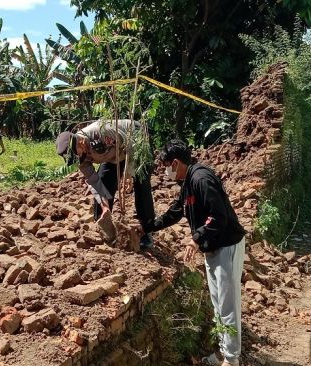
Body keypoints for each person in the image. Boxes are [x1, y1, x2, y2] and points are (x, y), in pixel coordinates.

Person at [147, 139, 246, 366]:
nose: (166, 172)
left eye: (166, 166)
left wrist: (195, 239)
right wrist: (149, 226)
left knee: (228, 304)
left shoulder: (201, 179)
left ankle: (232, 359)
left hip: (226, 245)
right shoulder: (188, 183)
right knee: (218, 303)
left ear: (175, 162)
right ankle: (223, 351)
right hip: (212, 248)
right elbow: (175, 212)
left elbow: (218, 216)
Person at [55, 119, 155, 250]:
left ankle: (146, 232)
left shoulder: (100, 132)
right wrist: (105, 206)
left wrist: (129, 173)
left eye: (76, 155)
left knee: (141, 184)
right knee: (103, 180)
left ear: (80, 142)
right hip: (113, 154)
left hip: (135, 141)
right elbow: (94, 181)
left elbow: (131, 144)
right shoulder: (80, 157)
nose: (78, 160)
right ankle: (103, 227)